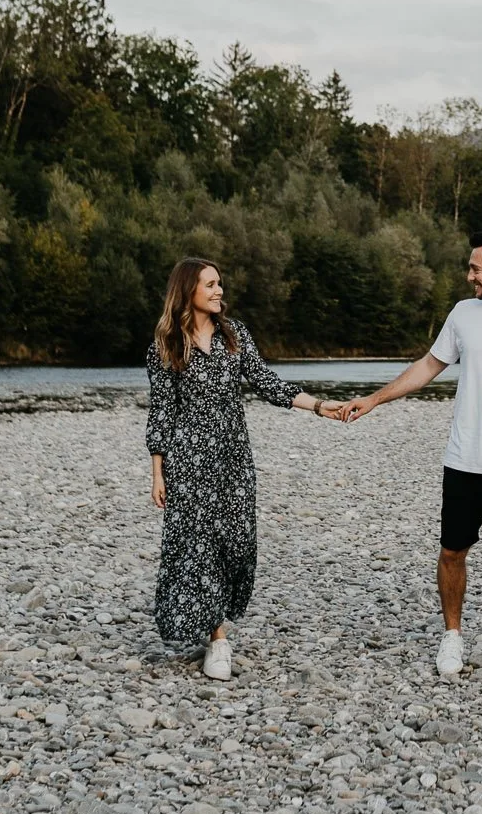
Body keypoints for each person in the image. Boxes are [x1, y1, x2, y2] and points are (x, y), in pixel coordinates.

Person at [335, 229, 482, 693]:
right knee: (451, 552)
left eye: (475, 268)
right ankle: (452, 636)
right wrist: (376, 398)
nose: (469, 277)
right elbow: (427, 366)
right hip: (464, 458)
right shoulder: (464, 315)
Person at [145, 256, 339, 680]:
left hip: (234, 460)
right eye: (210, 285)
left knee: (235, 541)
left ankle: (213, 619)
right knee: (198, 545)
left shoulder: (235, 336)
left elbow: (268, 383)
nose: (219, 291)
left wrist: (320, 406)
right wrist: (158, 474)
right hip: (188, 463)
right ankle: (218, 639)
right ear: (188, 292)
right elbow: (161, 413)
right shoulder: (166, 345)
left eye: (219, 283)